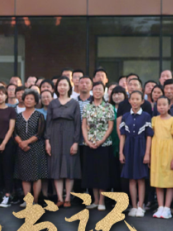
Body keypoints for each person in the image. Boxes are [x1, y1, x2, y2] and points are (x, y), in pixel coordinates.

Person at [46, 76, 81, 208]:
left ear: (69, 87)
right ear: (57, 87)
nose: (62, 87)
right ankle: (60, 198)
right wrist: (47, 141)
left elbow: (78, 124)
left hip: (70, 136)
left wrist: (76, 142)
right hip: (54, 137)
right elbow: (48, 123)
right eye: (60, 85)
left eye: (65, 85)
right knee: (56, 167)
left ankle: (68, 198)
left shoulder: (74, 103)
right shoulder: (52, 103)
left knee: (69, 166)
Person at [81, 81, 115, 211]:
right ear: (92, 90)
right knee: (92, 173)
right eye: (95, 89)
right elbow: (84, 125)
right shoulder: (87, 107)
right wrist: (87, 140)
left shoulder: (108, 107)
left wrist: (101, 140)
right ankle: (95, 200)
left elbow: (110, 126)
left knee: (102, 173)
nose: (97, 91)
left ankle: (102, 201)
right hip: (89, 144)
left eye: (100, 89)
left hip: (104, 145)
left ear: (104, 91)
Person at [118, 90, 152, 217]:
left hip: (141, 147)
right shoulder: (125, 116)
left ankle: (140, 206)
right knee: (131, 179)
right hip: (129, 148)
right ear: (129, 100)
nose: (135, 101)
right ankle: (133, 206)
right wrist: (121, 152)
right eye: (133, 99)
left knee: (140, 179)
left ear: (142, 101)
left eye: (138, 99)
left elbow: (149, 136)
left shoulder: (146, 116)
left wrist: (147, 153)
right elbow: (122, 136)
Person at [14, 90, 48, 203]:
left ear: (36, 102)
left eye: (31, 99)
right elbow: (14, 133)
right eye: (27, 98)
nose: (28, 100)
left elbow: (40, 133)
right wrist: (21, 143)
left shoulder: (39, 115)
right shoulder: (18, 116)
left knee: (36, 175)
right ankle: (27, 201)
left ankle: (36, 200)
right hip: (21, 149)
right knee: (24, 175)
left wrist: (27, 142)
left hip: (36, 148)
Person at [151, 97, 173, 219]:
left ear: (169, 106)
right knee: (158, 180)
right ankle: (160, 206)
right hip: (156, 152)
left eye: (164, 104)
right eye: (159, 105)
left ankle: (167, 208)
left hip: (169, 152)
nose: (161, 107)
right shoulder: (154, 120)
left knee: (169, 181)